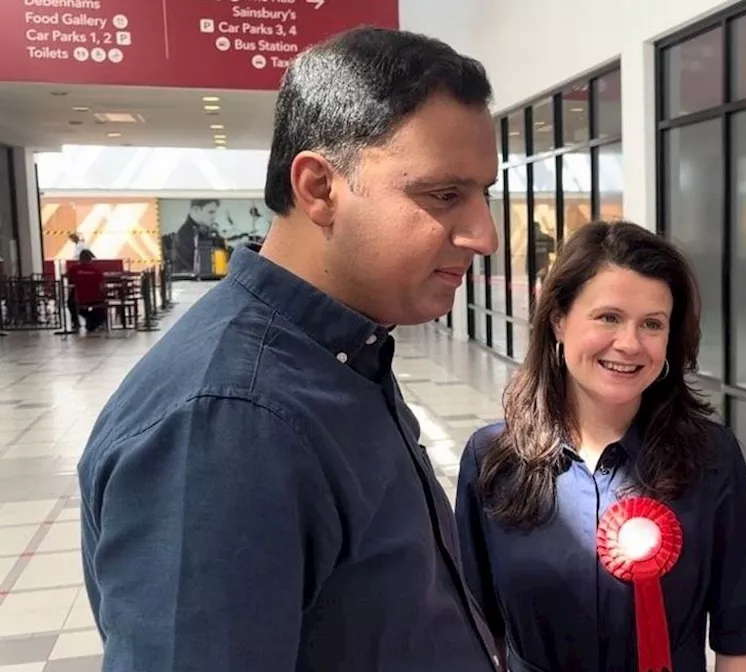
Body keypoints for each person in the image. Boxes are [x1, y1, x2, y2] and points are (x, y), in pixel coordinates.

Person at [78, 28, 502, 671]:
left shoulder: (340, 352)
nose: (483, 234)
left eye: (483, 195)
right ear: (319, 188)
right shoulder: (228, 423)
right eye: (445, 195)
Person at [454, 221, 746, 672]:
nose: (629, 344)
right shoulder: (492, 458)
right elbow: (472, 628)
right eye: (608, 317)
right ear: (558, 320)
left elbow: (742, 632)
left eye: (652, 324)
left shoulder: (711, 456)